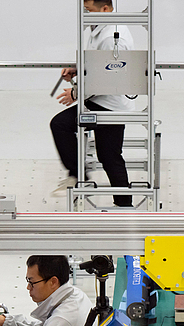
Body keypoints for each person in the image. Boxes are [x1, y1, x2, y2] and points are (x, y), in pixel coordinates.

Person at [50, 0, 136, 208]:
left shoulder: (112, 37)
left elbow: (107, 79)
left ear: (105, 9)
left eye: (89, 10)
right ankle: (123, 204)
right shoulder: (101, 27)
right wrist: (77, 69)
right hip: (102, 100)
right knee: (109, 155)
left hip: (108, 104)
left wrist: (75, 92)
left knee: (61, 125)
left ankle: (79, 175)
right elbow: (99, 64)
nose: (86, 14)